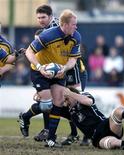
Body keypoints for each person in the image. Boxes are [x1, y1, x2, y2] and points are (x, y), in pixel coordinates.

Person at [18, 9, 81, 146]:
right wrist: (40, 67)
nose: (76, 27)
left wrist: (64, 68)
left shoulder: (76, 36)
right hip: (39, 71)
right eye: (73, 24)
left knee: (58, 103)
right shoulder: (48, 35)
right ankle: (25, 116)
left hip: (59, 72)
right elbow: (29, 52)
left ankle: (51, 140)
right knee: (47, 105)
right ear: (64, 24)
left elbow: (73, 60)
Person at [35, 4, 89, 146]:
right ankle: (64, 133)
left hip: (74, 70)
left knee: (75, 103)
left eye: (43, 17)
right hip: (59, 71)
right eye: (38, 17)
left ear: (51, 17)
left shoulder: (62, 27)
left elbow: (73, 59)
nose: (40, 20)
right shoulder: (46, 32)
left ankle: (86, 134)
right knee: (56, 102)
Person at [44, 87, 124, 150]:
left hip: (106, 125)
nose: (66, 102)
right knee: (114, 143)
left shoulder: (85, 96)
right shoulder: (69, 111)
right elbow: (49, 108)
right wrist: (41, 97)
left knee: (118, 110)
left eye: (66, 99)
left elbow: (88, 102)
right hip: (96, 139)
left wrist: (70, 93)